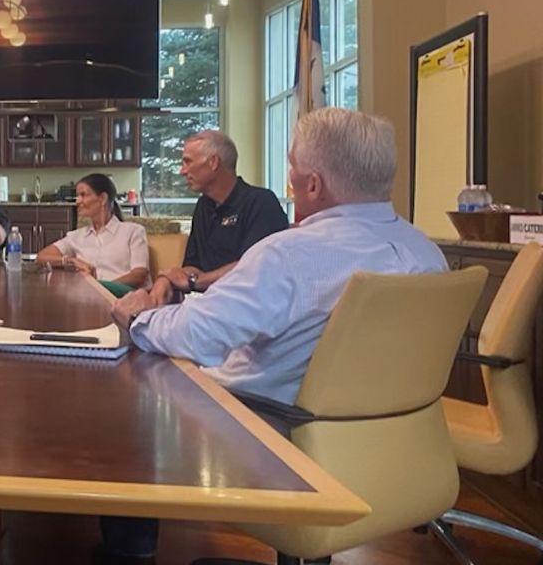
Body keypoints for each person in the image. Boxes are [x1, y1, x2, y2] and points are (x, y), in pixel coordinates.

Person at [96, 108, 448, 563]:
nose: (291, 184)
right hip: (398, 455)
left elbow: (198, 335)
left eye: (294, 174)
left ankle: (131, 555)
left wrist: (138, 317)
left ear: (315, 185)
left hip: (276, 442)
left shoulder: (290, 255)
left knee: (132, 400)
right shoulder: (428, 254)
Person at [149, 130, 288, 306]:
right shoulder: (203, 206)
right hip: (208, 307)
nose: (182, 171)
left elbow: (253, 268)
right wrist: (166, 279)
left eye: (188, 162)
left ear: (213, 162)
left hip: (250, 309)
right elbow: (192, 266)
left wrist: (197, 281)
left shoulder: (261, 203)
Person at [35, 173, 148, 294]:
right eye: (77, 196)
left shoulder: (133, 231)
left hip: (123, 297)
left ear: (103, 199)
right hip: (86, 297)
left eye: (83, 195)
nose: (77, 201)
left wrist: (102, 289)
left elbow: (139, 274)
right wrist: (71, 260)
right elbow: (41, 257)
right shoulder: (76, 236)